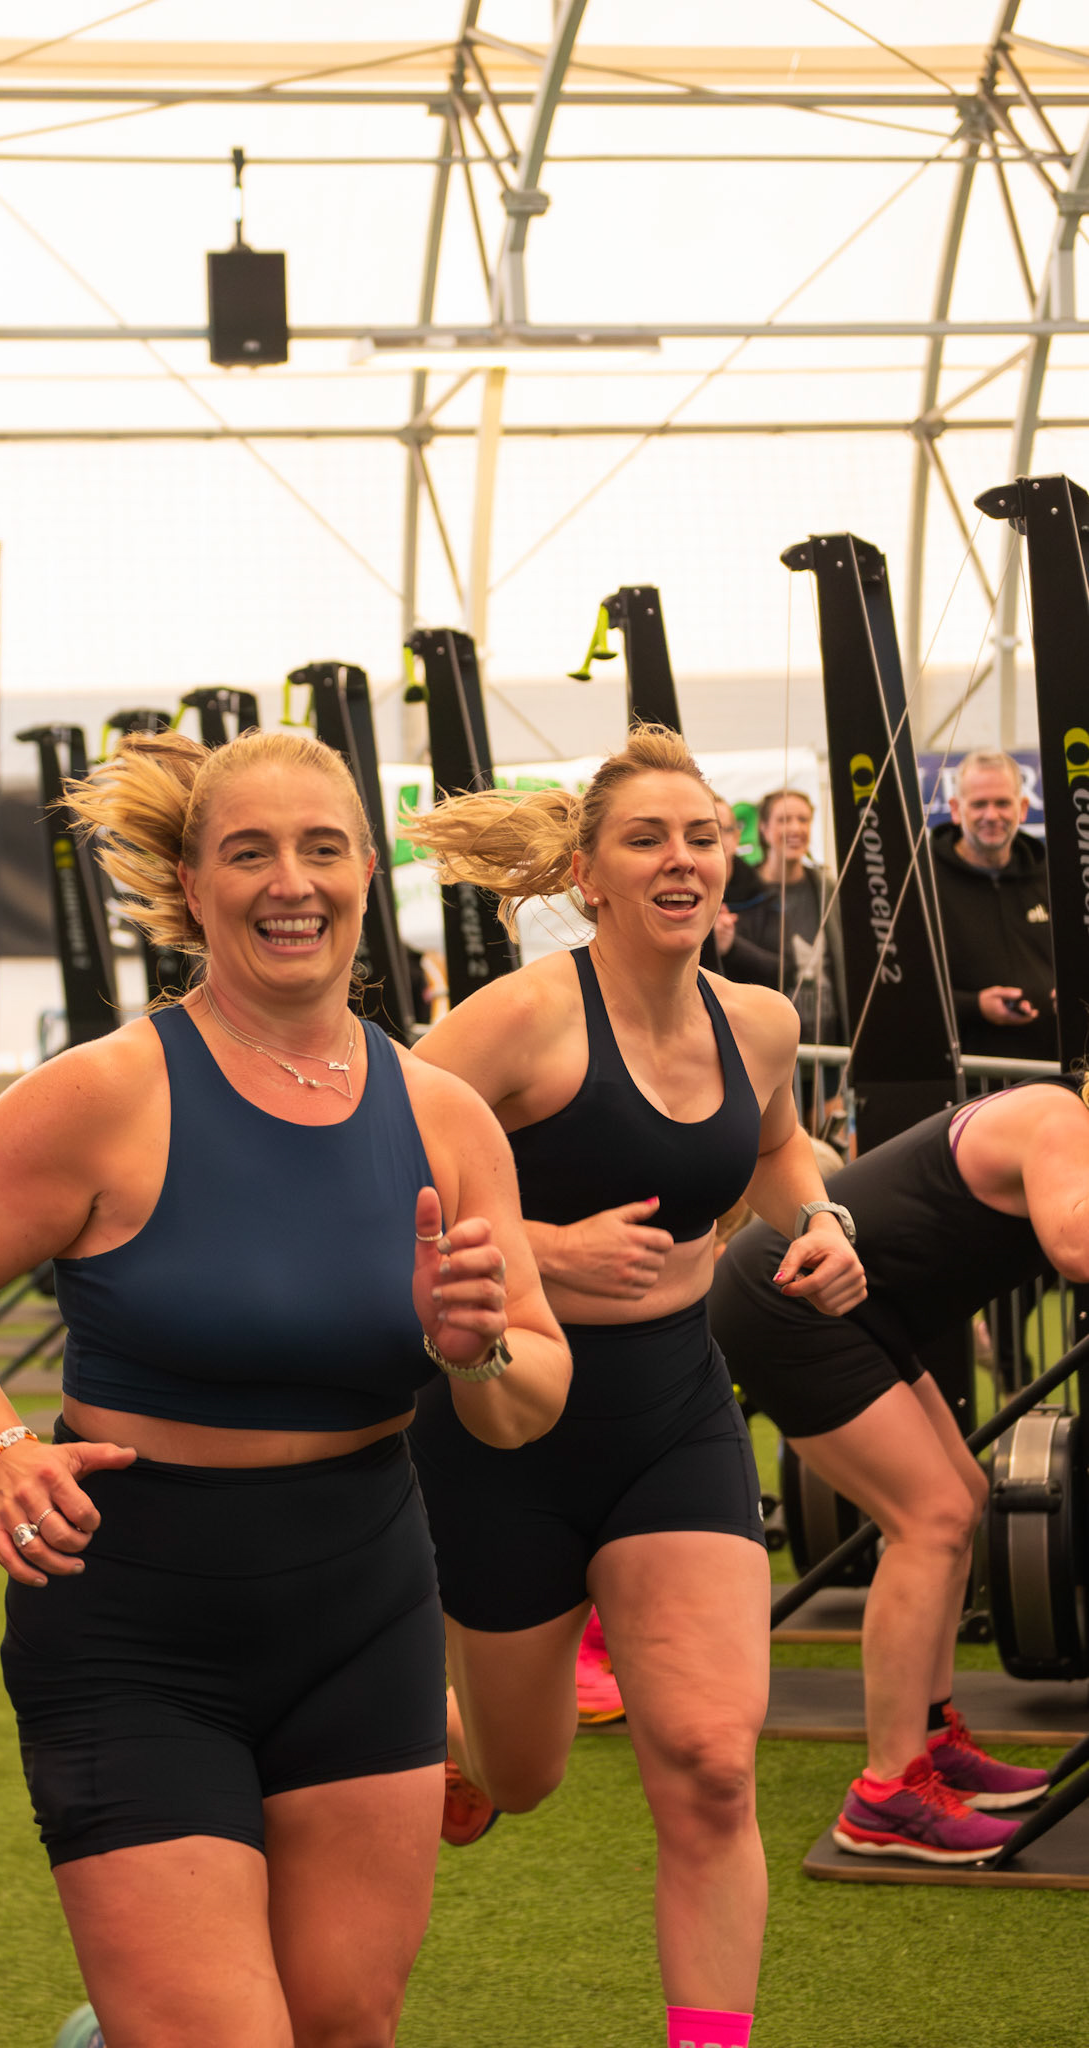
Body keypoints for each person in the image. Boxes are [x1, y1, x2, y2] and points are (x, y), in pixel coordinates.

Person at [0, 727, 571, 2048]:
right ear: (193, 885)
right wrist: (0, 1449)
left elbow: (526, 1395)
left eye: (321, 849)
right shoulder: (103, 1093)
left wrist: (472, 1343)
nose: (289, 882)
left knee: (342, 2023)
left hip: (362, 1614)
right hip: (135, 1631)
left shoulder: (444, 1117)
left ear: (366, 872)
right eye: (249, 853)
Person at [404, 726, 865, 2048]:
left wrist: (821, 1220)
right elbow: (373, 1175)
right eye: (646, 838)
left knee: (713, 1764)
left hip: (673, 1415)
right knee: (524, 1774)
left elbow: (774, 1148)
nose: (681, 859)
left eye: (701, 836)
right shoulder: (519, 1019)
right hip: (501, 1429)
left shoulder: (760, 1023)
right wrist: (545, 1251)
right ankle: (453, 1734)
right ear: (588, 875)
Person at [710, 1080, 1085, 1862]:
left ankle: (931, 1738)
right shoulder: (1057, 1117)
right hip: (790, 1296)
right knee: (931, 1519)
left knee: (963, 1497)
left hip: (863, 1310)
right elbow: (1075, 1247)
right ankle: (887, 1793)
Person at [929, 749, 1054, 1062]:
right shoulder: (923, 882)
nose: (991, 815)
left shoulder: (1053, 877)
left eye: (1002, 803)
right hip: (970, 1076)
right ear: (956, 809)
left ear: (1022, 808)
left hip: (1050, 1071)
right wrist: (975, 1007)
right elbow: (907, 992)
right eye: (979, 804)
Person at [715, 787, 846, 1045]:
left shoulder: (826, 887)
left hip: (829, 1037)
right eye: (784, 820)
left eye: (803, 819)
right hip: (768, 1036)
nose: (795, 828)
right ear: (763, 829)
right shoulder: (747, 892)